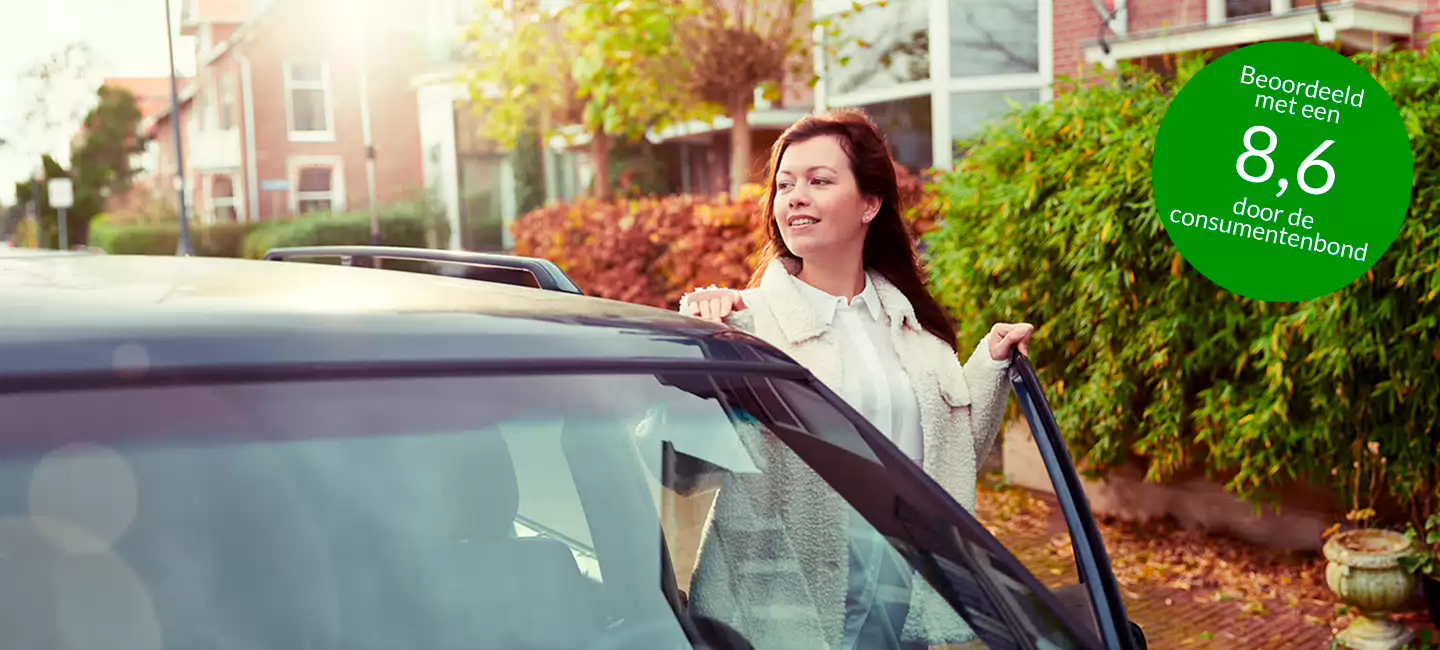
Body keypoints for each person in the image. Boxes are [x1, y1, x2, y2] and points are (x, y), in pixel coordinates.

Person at [672, 108, 1036, 650]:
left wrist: (991, 365)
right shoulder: (743, 325)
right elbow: (687, 470)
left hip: (897, 606)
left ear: (870, 203)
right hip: (776, 615)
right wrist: (696, 349)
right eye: (785, 184)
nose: (795, 196)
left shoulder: (916, 335)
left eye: (819, 181)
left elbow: (948, 459)